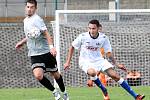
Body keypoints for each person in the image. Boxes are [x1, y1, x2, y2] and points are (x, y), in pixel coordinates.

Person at [64, 19, 145, 100]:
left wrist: (117, 64)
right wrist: (68, 62)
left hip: (99, 60)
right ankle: (103, 89)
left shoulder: (103, 38)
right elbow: (72, 47)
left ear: (99, 28)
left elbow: (108, 53)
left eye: (93, 28)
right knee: (92, 72)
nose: (91, 30)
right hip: (85, 61)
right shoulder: (83, 36)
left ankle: (136, 96)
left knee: (115, 76)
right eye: (90, 28)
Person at [15, 0, 69, 100]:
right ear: (25, 8)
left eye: (31, 7)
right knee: (38, 75)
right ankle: (55, 92)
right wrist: (22, 42)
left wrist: (51, 47)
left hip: (45, 52)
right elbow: (30, 35)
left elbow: (46, 33)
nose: (29, 9)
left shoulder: (37, 19)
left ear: (35, 8)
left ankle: (64, 92)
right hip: (34, 54)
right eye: (28, 7)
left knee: (56, 75)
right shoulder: (25, 20)